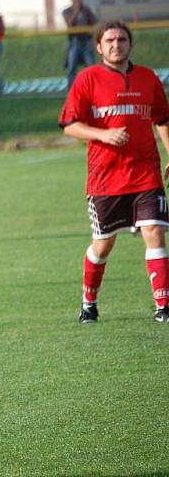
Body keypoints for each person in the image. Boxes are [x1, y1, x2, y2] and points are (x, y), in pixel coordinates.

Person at [59, 21, 169, 324]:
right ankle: (89, 302)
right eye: (109, 40)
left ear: (129, 44)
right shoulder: (87, 79)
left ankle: (164, 306)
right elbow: (69, 125)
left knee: (154, 231)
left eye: (121, 39)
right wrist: (103, 135)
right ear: (98, 47)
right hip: (106, 178)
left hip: (146, 174)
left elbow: (162, 118)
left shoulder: (148, 78)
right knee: (104, 243)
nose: (116, 44)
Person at [63, 0, 97, 88]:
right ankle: (71, 90)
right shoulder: (67, 11)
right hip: (74, 42)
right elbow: (69, 23)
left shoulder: (87, 11)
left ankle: (91, 89)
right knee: (71, 67)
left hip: (86, 42)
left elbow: (94, 24)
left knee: (90, 67)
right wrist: (76, 11)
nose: (79, 0)